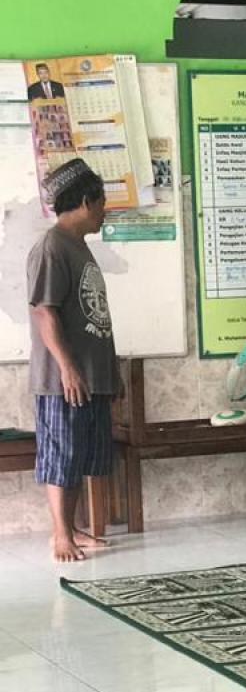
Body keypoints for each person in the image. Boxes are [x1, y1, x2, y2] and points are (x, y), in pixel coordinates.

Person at [28, 158, 116, 562]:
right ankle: (59, 535)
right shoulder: (52, 246)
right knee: (60, 454)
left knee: (78, 454)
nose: (104, 210)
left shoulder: (78, 245)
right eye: (101, 202)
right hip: (63, 376)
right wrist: (67, 366)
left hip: (89, 374)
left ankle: (73, 529)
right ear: (84, 201)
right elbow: (44, 311)